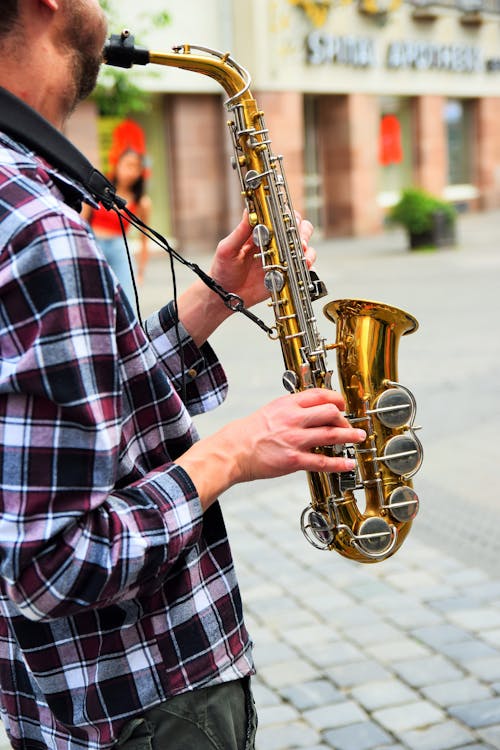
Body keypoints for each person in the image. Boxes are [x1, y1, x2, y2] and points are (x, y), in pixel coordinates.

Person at [0, 2, 366, 749]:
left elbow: (79, 412)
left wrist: (213, 297)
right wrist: (230, 453)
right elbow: (51, 567)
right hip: (145, 699)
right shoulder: (38, 228)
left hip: (59, 701)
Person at [82, 148, 152, 307]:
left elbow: (144, 238)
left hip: (119, 248)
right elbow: (81, 221)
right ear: (118, 165)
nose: (131, 171)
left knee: (129, 301)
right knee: (93, 298)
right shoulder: (99, 190)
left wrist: (140, 272)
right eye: (128, 165)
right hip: (93, 245)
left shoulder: (142, 202)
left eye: (136, 167)